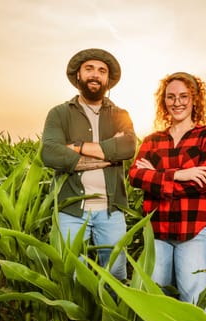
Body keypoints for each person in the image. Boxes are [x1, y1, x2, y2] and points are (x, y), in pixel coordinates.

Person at [41, 48, 137, 280]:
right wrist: (107, 155)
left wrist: (76, 147)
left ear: (108, 80)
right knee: (73, 274)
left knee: (116, 275)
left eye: (102, 71)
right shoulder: (59, 113)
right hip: (71, 210)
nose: (95, 75)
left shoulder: (120, 115)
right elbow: (50, 153)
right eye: (89, 69)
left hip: (111, 210)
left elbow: (127, 148)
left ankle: (108, 317)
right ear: (78, 76)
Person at [128, 72, 206, 304]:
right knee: (158, 300)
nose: (177, 102)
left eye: (183, 96)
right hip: (157, 231)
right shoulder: (152, 141)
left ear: (194, 99)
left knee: (193, 299)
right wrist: (180, 174)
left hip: (192, 231)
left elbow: (205, 180)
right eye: (171, 97)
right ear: (164, 102)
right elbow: (135, 176)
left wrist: (157, 178)